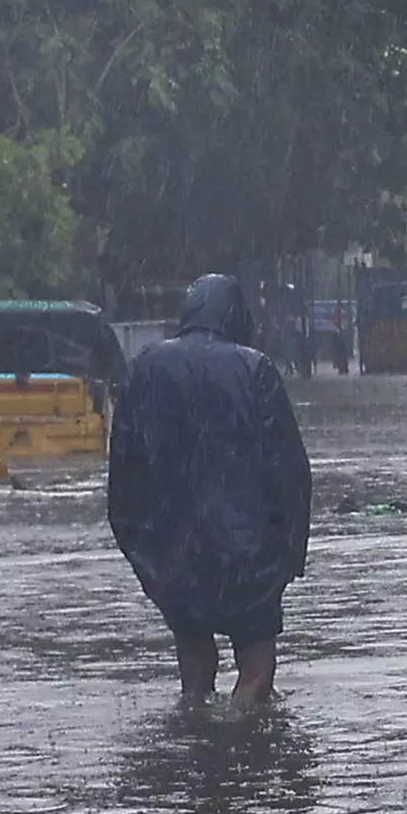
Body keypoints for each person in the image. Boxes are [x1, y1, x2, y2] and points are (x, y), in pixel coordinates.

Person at [108, 273, 314, 702]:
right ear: (236, 316)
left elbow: (124, 472)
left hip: (176, 551)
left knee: (195, 674)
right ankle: (242, 748)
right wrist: (291, 552)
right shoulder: (255, 368)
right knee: (257, 671)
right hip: (248, 553)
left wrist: (144, 551)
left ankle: (198, 748)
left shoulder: (144, 368)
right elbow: (291, 471)